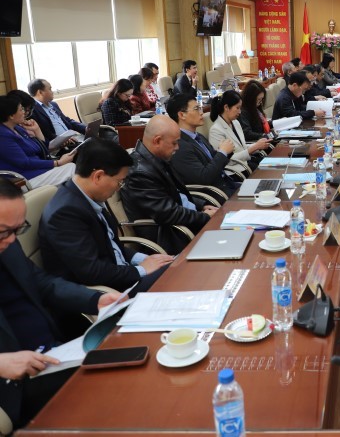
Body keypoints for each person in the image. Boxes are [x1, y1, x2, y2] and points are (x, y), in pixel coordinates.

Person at [0, 179, 121, 429]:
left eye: (17, 229)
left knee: (126, 361)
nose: (11, 240)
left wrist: (94, 299)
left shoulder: (7, 244)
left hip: (53, 354)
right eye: (4, 232)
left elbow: (41, 282)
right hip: (14, 384)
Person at [39, 139, 173, 292]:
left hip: (120, 275)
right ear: (98, 176)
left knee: (176, 265)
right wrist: (142, 270)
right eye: (119, 182)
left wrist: (145, 259)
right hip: (108, 293)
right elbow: (92, 272)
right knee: (176, 275)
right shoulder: (65, 214)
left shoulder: (86, 198)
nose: (119, 188)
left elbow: (110, 247)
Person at [121, 116, 218, 254]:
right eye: (174, 143)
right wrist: (205, 217)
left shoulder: (157, 158)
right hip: (173, 236)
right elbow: (168, 213)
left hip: (185, 225)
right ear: (157, 141)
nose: (177, 147)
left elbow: (175, 193)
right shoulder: (139, 173)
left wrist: (200, 205)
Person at [165, 93, 239, 197]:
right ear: (182, 115)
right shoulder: (180, 146)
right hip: (215, 194)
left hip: (226, 185)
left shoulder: (198, 136)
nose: (201, 112)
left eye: (200, 108)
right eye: (196, 109)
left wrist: (226, 151)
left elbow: (213, 161)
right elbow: (204, 178)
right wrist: (222, 153)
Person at [0, 94, 76, 188]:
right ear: (11, 115)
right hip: (23, 178)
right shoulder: (3, 135)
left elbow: (42, 150)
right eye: (21, 109)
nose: (24, 112)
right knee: (71, 170)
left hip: (37, 170)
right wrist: (57, 163)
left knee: (72, 168)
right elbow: (24, 163)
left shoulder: (18, 128)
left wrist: (36, 130)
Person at [208, 90, 272, 174]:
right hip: (235, 171)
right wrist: (254, 148)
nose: (240, 112)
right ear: (226, 107)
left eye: (240, 108)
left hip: (245, 163)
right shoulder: (216, 130)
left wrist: (258, 145)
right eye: (237, 108)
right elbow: (227, 160)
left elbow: (242, 146)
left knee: (271, 166)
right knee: (267, 172)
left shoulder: (235, 122)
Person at [27, 79, 86, 147]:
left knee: (94, 140)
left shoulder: (53, 104)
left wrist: (85, 128)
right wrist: (62, 139)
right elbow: (43, 133)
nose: (52, 92)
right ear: (40, 92)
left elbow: (67, 121)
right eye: (50, 89)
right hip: (60, 146)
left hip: (73, 139)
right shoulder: (32, 110)